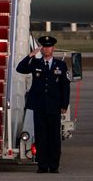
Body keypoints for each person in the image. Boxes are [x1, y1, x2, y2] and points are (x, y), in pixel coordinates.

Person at [15, 36, 70, 173]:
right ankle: (42, 164)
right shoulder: (36, 63)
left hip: (54, 106)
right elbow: (20, 69)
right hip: (39, 106)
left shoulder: (61, 65)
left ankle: (54, 165)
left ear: (53, 48)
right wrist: (31, 55)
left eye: (49, 47)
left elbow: (65, 87)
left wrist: (64, 105)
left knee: (54, 137)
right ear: (42, 49)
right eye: (44, 47)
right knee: (41, 136)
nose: (47, 49)